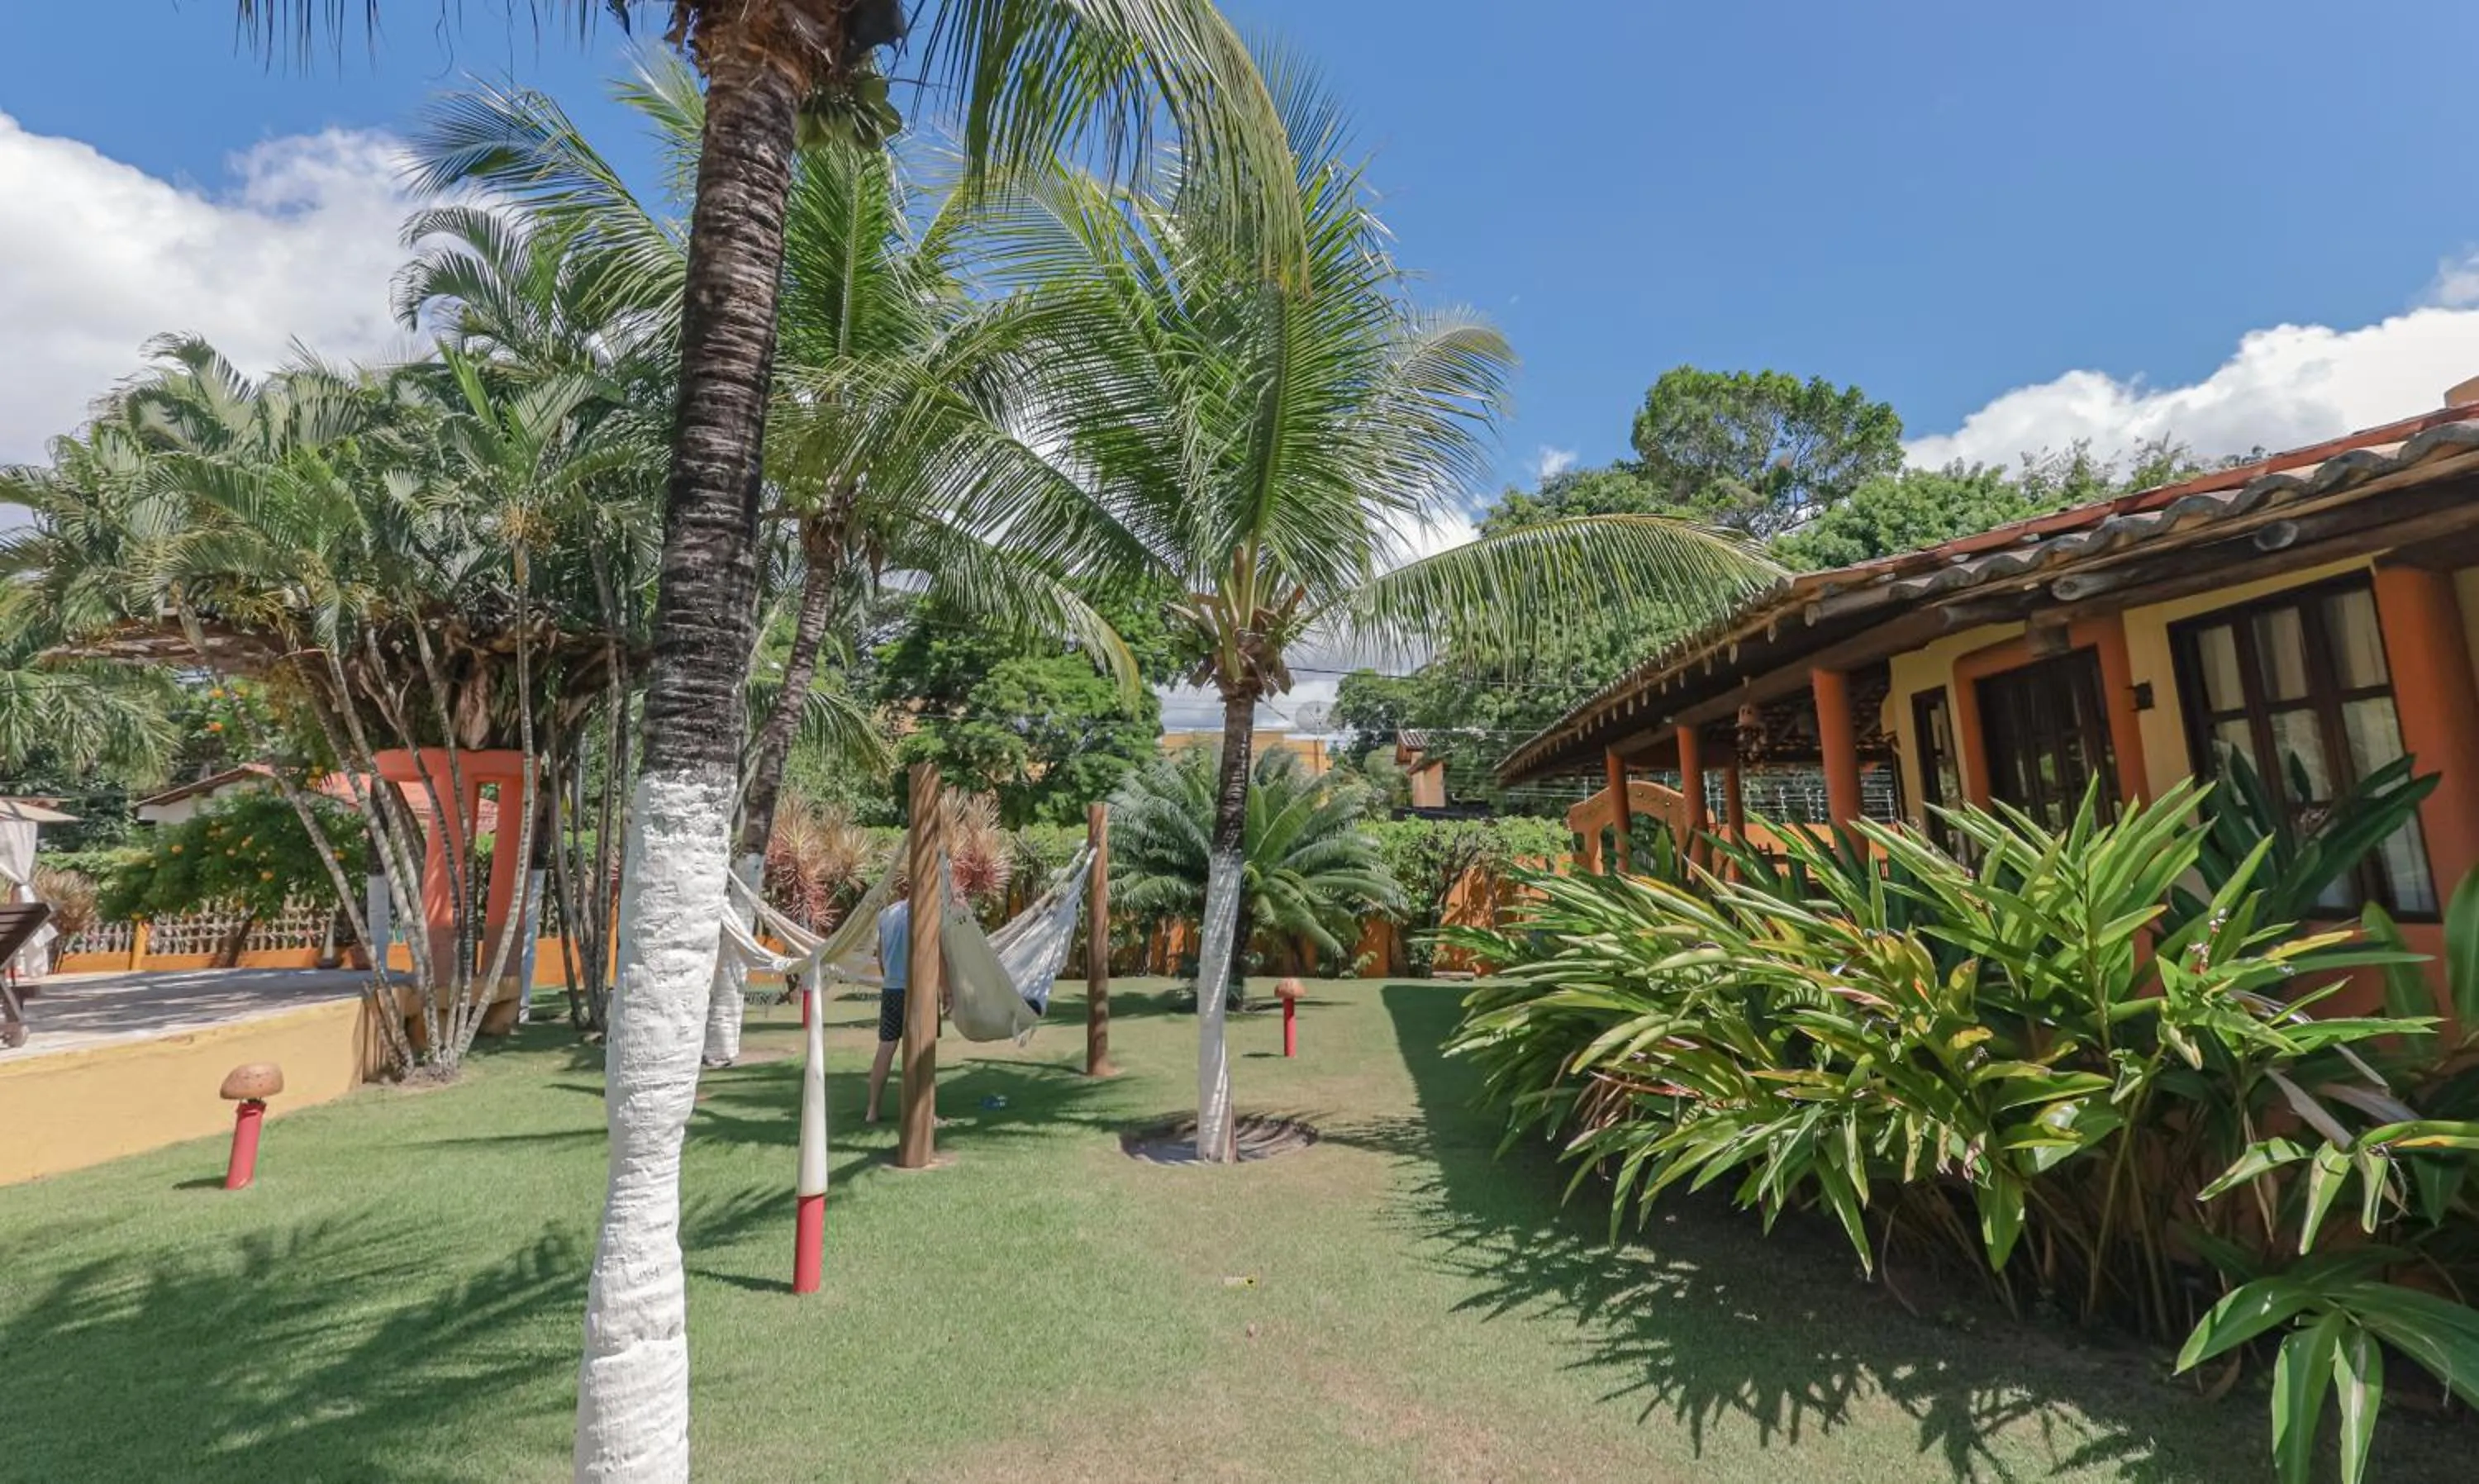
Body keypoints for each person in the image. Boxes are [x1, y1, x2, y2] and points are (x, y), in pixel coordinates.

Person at [864, 886, 910, 1124]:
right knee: (919, 1051)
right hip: (915, 991)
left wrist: (890, 977)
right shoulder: (924, 912)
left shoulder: (886, 914)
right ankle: (920, 1112)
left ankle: (872, 1110)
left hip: (891, 988)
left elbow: (880, 957)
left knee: (886, 1047)